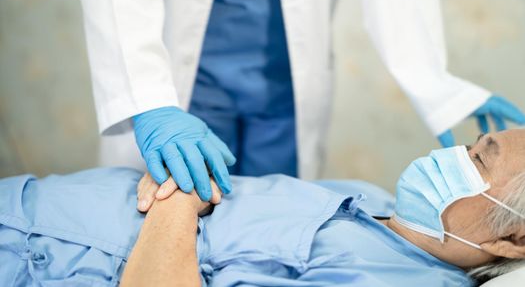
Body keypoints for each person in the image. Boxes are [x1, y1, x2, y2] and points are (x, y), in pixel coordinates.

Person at [73, 0, 525, 199]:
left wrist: (438, 86)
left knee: (272, 233)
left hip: (283, 94)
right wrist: (148, 100)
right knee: (160, 225)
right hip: (174, 88)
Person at [1, 129, 525, 286]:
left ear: (513, 241)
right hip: (24, 199)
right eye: (474, 142)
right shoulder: (373, 200)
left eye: (479, 160)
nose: (452, 154)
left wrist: (177, 202)